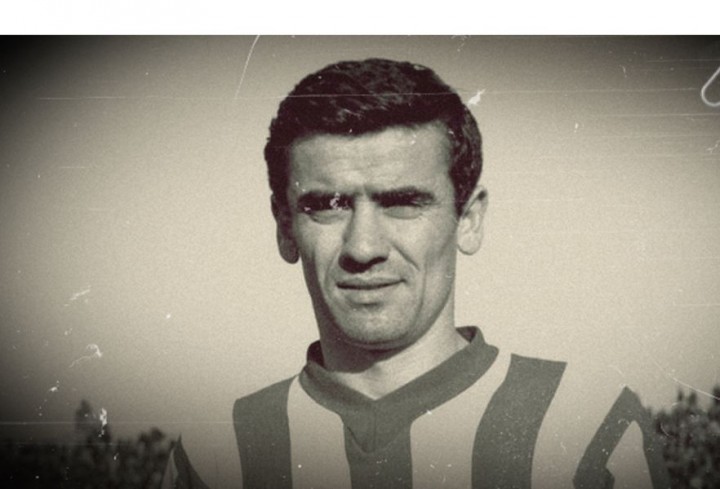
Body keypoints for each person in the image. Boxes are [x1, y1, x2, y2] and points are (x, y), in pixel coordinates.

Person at [161, 58, 670, 489]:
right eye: (328, 207)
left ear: (468, 220)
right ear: (285, 228)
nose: (364, 247)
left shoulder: (585, 430)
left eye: (402, 202)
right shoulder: (215, 457)